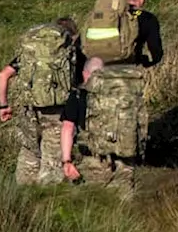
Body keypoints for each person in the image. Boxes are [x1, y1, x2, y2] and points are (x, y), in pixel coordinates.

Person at [0, 18, 82, 185]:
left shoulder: (31, 56)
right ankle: (46, 202)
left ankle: (24, 196)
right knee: (52, 166)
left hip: (28, 112)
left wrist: (4, 106)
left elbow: (3, 75)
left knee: (30, 153)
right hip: (57, 114)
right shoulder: (71, 55)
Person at [58, 56, 145, 194]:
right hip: (125, 159)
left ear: (85, 73)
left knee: (91, 199)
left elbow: (67, 128)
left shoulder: (79, 95)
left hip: (94, 161)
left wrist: (66, 161)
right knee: (123, 200)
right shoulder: (123, 95)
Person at [123, 0, 164, 67]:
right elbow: (155, 50)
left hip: (99, 65)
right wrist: (149, 63)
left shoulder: (110, 15)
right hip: (129, 66)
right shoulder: (148, 18)